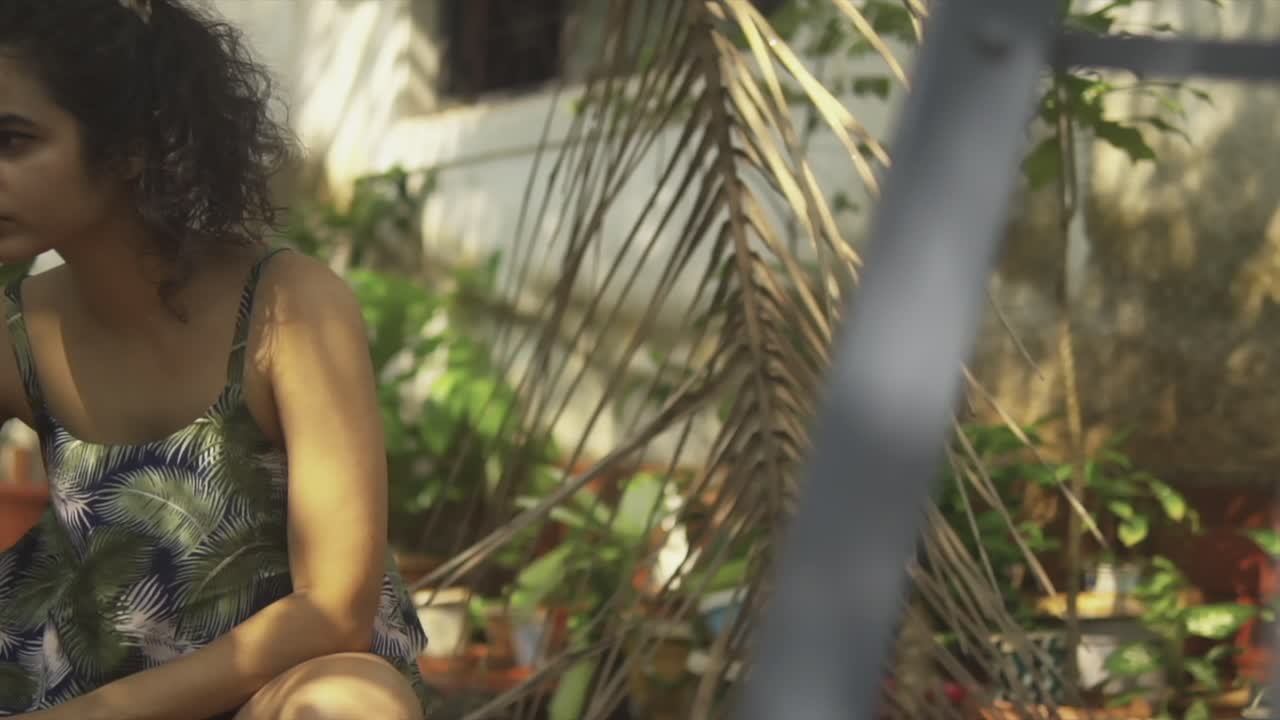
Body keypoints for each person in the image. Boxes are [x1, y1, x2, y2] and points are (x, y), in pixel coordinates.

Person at [0, 0, 431, 717]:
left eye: (12, 141)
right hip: (63, 674)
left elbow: (334, 608)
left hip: (278, 678)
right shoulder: (17, 334)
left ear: (130, 146)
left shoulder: (287, 308)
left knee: (354, 708)